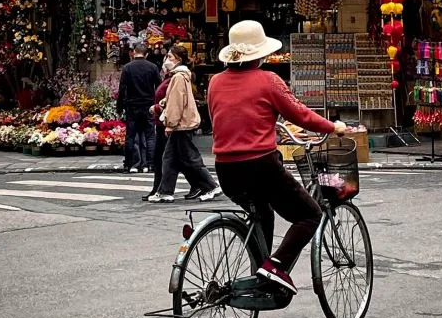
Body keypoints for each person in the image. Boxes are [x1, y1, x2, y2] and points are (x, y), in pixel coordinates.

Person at [207, 19, 347, 296]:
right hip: (261, 166)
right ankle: (276, 266)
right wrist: (334, 127)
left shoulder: (214, 82)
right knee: (310, 215)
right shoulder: (269, 80)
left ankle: (262, 276)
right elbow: (301, 115)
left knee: (262, 213)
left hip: (225, 169)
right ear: (260, 54)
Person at [148, 45, 221, 203]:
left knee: (190, 158)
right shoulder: (179, 76)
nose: (167, 60)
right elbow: (174, 98)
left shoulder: (179, 77)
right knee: (170, 158)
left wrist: (170, 124)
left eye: (170, 57)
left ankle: (210, 185)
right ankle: (165, 191)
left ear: (178, 59)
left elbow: (177, 103)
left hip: (181, 124)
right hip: (182, 123)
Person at [116, 44, 160, 173]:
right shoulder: (152, 67)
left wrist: (119, 108)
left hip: (132, 106)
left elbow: (122, 89)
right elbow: (159, 87)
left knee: (130, 136)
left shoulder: (127, 68)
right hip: (148, 105)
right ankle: (151, 164)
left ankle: (129, 164)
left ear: (133, 53)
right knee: (150, 135)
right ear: (146, 54)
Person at [144, 51, 175, 200]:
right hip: (162, 122)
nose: (166, 61)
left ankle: (161, 189)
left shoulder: (176, 78)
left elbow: (172, 100)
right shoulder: (168, 78)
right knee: (176, 159)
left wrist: (157, 107)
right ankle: (159, 188)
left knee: (163, 158)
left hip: (167, 123)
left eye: (169, 57)